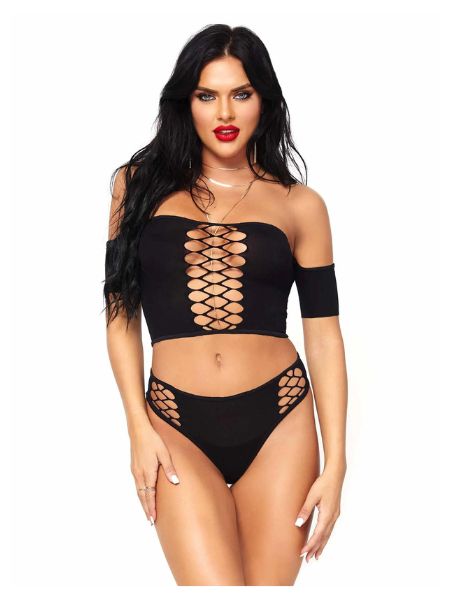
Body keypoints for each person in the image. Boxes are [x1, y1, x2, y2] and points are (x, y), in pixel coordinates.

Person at [103, 24, 348, 586]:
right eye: (206, 95)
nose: (224, 112)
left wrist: (336, 463)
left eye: (241, 93)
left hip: (281, 420)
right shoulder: (135, 187)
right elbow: (120, 315)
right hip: (173, 423)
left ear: (265, 99)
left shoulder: (301, 205)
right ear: (185, 102)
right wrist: (137, 425)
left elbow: (324, 335)